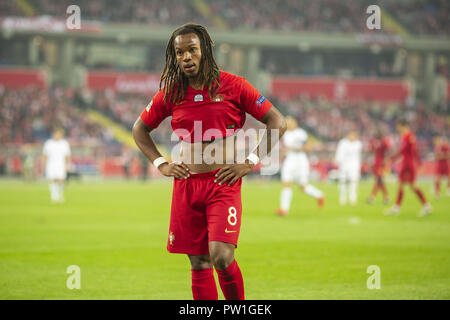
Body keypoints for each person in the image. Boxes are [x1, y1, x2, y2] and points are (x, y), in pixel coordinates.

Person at [132, 23, 286, 300]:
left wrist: (250, 161)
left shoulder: (234, 85)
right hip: (187, 185)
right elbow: (139, 129)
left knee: (222, 257)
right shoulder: (171, 92)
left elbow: (277, 121)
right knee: (199, 262)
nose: (185, 57)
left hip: (222, 183)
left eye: (191, 50)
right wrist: (161, 164)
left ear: (205, 50)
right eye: (179, 53)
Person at [276, 116, 324, 216]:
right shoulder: (286, 134)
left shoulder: (301, 133)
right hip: (290, 160)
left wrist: (293, 148)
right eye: (287, 122)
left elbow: (307, 147)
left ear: (295, 123)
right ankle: (284, 209)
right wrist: (284, 152)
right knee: (286, 184)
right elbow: (285, 149)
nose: (288, 123)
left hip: (301, 160)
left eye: (290, 121)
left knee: (303, 187)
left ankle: (319, 195)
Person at [386, 118, 432, 217]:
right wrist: (393, 159)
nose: (397, 128)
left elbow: (413, 151)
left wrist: (419, 164)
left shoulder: (409, 136)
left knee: (413, 185)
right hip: (405, 164)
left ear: (403, 126)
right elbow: (403, 151)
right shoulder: (404, 136)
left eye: (398, 126)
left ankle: (426, 206)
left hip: (408, 165)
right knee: (401, 185)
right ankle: (396, 208)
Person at [42, 128, 71, 203]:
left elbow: (67, 156)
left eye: (59, 134)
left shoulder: (64, 143)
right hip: (51, 164)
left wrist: (68, 165)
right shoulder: (49, 143)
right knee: (53, 180)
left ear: (61, 135)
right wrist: (43, 164)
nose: (57, 136)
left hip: (61, 164)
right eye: (56, 134)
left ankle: (60, 194)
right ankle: (54, 196)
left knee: (61, 180)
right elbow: (45, 155)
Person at [335, 130, 362, 206]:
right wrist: (338, 162)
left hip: (354, 166)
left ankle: (353, 199)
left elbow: (358, 157)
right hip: (344, 165)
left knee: (353, 183)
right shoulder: (343, 143)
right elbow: (339, 154)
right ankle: (342, 199)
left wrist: (358, 167)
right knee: (343, 182)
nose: (352, 137)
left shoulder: (358, 144)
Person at [367, 128, 391, 204]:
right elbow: (370, 149)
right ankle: (386, 197)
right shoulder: (376, 141)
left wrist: (387, 160)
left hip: (381, 163)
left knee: (379, 180)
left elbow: (389, 149)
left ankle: (372, 197)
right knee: (379, 181)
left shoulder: (383, 141)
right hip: (376, 163)